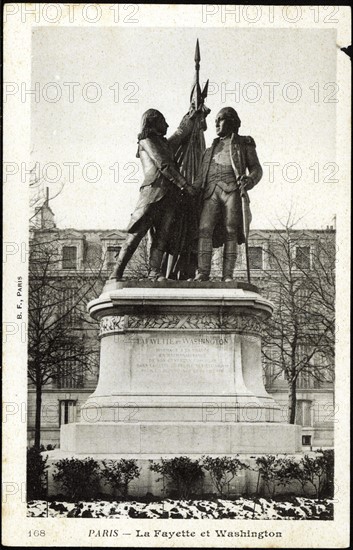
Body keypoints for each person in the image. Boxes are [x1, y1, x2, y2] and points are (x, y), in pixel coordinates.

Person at [110, 108, 198, 281]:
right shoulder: (147, 140)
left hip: (170, 195)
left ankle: (154, 272)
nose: (167, 124)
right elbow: (164, 164)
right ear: (153, 122)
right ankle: (116, 273)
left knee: (162, 237)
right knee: (136, 233)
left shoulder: (163, 143)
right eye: (163, 121)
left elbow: (179, 135)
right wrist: (185, 185)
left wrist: (191, 115)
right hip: (152, 192)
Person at [192, 106, 263, 282]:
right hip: (210, 192)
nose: (216, 123)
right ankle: (202, 273)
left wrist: (250, 179)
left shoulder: (244, 143)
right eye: (215, 119)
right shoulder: (209, 150)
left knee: (231, 230)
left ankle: (228, 276)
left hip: (233, 190)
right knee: (204, 229)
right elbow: (200, 178)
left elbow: (256, 168)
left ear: (232, 122)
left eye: (220, 119)